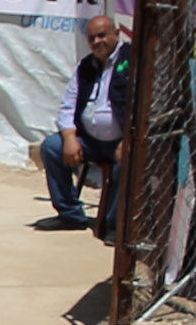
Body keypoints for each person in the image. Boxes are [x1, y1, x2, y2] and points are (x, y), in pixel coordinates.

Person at [36, 13, 130, 234]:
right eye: (92, 38)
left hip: (121, 140)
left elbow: (144, 105)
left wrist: (129, 139)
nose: (97, 42)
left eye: (102, 35)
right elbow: (68, 106)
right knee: (52, 147)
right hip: (89, 140)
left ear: (116, 34)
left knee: (126, 164)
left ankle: (113, 224)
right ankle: (70, 215)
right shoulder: (85, 66)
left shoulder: (133, 60)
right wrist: (69, 137)